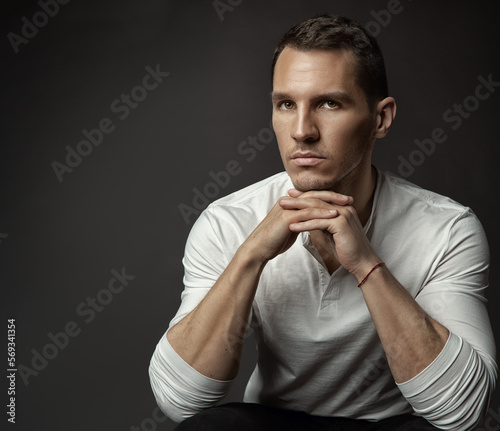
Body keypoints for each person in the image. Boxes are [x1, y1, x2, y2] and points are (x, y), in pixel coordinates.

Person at [149, 14, 497, 430]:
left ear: (381, 119)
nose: (301, 131)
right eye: (286, 104)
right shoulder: (229, 221)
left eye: (329, 103)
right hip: (273, 422)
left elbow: (463, 410)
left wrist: (366, 266)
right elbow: (180, 402)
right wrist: (252, 257)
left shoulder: (447, 228)